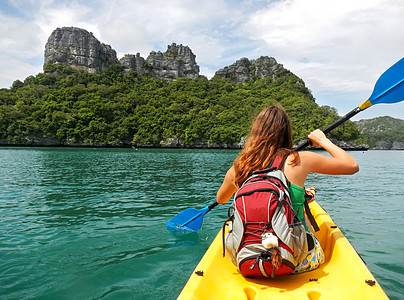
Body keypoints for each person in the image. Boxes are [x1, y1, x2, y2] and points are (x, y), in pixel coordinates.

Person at [216, 105, 359, 273]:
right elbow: (352, 166)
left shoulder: (239, 167)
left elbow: (221, 199)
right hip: (296, 261)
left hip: (247, 259)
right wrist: (323, 141)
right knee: (304, 220)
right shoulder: (298, 160)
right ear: (286, 133)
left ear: (255, 132)